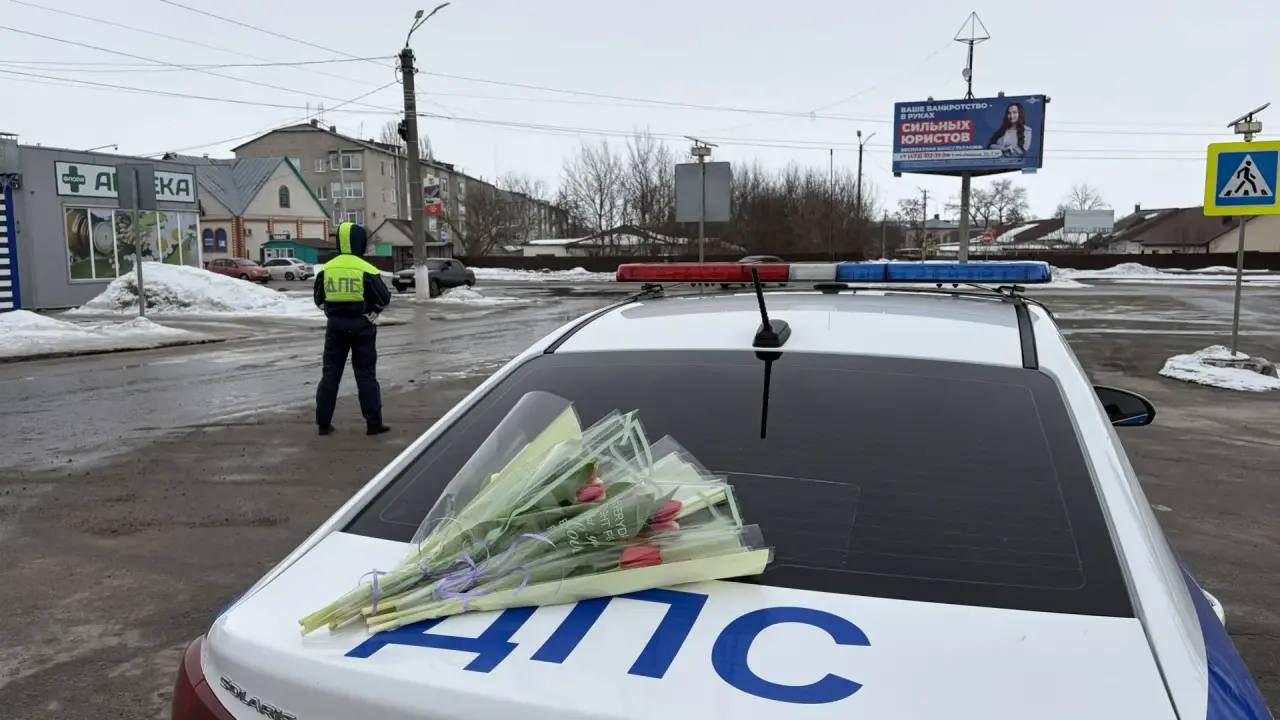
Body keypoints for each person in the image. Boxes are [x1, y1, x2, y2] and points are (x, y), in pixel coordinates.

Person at [313, 222, 392, 436]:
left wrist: (332, 312)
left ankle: (323, 424)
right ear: (360, 242)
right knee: (365, 375)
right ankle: (373, 423)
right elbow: (384, 298)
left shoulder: (327, 269)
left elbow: (319, 299)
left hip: (335, 327)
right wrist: (371, 313)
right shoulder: (366, 269)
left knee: (330, 374)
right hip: (362, 327)